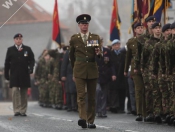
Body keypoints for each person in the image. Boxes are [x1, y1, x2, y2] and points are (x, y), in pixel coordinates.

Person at [69, 14, 102, 129]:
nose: (85, 26)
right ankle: (82, 118)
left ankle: (91, 120)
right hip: (79, 70)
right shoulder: (74, 39)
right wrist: (74, 70)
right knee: (81, 95)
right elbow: (71, 56)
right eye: (83, 24)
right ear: (79, 25)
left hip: (92, 69)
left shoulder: (95, 37)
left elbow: (99, 55)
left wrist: (99, 54)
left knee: (92, 97)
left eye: (86, 24)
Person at [4, 33, 35, 116]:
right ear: (14, 40)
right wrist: (6, 74)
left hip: (24, 74)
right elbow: (7, 63)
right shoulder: (10, 50)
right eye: (17, 39)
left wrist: (31, 68)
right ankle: (16, 110)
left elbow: (32, 60)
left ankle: (23, 110)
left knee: (24, 92)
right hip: (14, 74)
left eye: (20, 39)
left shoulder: (27, 49)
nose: (18, 40)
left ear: (22, 40)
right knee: (15, 91)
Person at [124, 22, 144, 121]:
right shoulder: (131, 42)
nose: (140, 29)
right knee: (138, 91)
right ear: (135, 30)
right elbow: (128, 57)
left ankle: (147, 112)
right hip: (135, 69)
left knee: (147, 90)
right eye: (138, 28)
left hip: (146, 68)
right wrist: (125, 70)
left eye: (141, 27)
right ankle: (139, 112)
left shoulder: (147, 40)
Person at [95, 37, 111, 118]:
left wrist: (113, 74)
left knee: (104, 94)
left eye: (101, 41)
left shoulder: (107, 51)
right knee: (98, 91)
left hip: (105, 75)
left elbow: (111, 63)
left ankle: (103, 111)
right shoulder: (93, 51)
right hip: (96, 75)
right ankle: (98, 110)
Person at [110, 39, 127, 113]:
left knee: (122, 91)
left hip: (121, 75)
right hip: (113, 75)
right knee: (113, 92)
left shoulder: (123, 54)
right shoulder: (110, 54)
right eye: (115, 45)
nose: (117, 46)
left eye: (118, 44)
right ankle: (114, 106)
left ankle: (121, 107)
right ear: (112, 46)